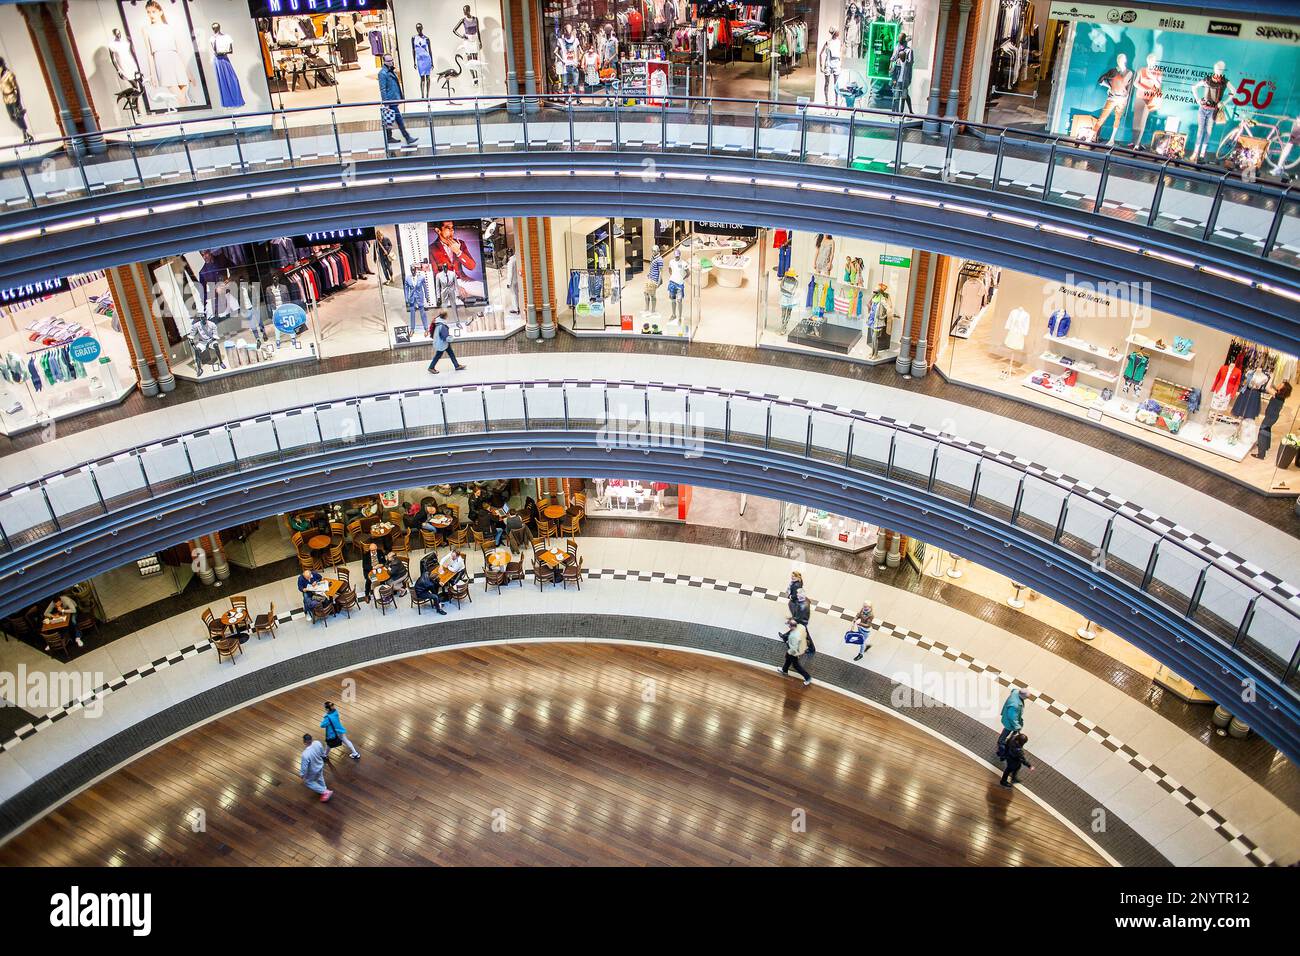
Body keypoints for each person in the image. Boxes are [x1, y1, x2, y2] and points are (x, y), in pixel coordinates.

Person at [378, 54, 417, 147]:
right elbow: (382, 89)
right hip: (390, 100)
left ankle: (389, 137)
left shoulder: (390, 71)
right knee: (398, 119)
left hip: (393, 99)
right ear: (384, 62)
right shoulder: (383, 73)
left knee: (390, 119)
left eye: (391, 60)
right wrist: (386, 102)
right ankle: (407, 137)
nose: (391, 62)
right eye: (388, 61)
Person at [778, 618, 813, 686]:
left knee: (796, 665)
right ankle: (784, 670)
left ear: (792, 626)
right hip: (799, 647)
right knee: (788, 658)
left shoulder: (794, 636)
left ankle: (808, 677)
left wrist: (788, 643)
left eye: (789, 626)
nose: (788, 627)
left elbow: (794, 647)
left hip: (795, 651)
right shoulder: (800, 627)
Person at [300, 734, 333, 802]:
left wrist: (302, 774)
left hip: (313, 770)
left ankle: (325, 792)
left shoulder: (305, 754)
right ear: (311, 739)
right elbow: (322, 753)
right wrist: (324, 756)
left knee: (308, 782)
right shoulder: (317, 743)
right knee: (319, 777)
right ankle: (324, 789)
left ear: (304, 742)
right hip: (320, 765)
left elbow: (304, 767)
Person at [997, 688, 1027, 759]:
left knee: (1013, 731)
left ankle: (1009, 740)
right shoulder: (1014, 705)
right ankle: (1001, 741)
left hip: (1011, 720)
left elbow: (1013, 690)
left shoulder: (1016, 692)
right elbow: (1012, 718)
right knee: (1006, 731)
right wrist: (1017, 727)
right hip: (1009, 723)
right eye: (1026, 697)